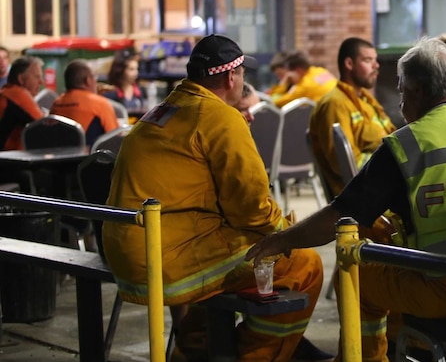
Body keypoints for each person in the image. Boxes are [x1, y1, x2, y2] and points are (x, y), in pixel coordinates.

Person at [246, 37, 446, 362]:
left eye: (401, 90)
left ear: (419, 91)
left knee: (356, 275)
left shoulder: (407, 144)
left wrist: (281, 240)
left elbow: (341, 216)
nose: (400, 102)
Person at [103, 34, 323, 362]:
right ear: (231, 76)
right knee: (304, 264)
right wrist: (286, 233)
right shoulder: (220, 117)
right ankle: (256, 356)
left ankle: (191, 351)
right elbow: (252, 210)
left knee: (230, 265)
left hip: (129, 252)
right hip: (166, 259)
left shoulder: (161, 112)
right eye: (243, 74)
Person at [308, 37, 396, 197]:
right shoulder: (335, 104)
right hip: (367, 198)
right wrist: (392, 165)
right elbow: (346, 165)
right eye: (368, 60)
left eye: (375, 60)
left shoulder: (365, 101)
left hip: (383, 187)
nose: (376, 66)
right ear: (349, 64)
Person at [50, 59, 120, 147]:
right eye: (94, 77)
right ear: (88, 80)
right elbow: (115, 138)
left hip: (59, 159)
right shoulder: (100, 104)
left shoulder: (56, 104)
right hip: (90, 159)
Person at [0, 56, 44, 150]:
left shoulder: (6, 93)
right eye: (37, 77)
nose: (41, 82)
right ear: (21, 79)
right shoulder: (17, 94)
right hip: (6, 160)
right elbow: (45, 126)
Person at [272, 50, 337, 108]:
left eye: (289, 72)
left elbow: (277, 102)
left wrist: (283, 84)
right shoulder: (320, 71)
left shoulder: (304, 85)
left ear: (298, 70)